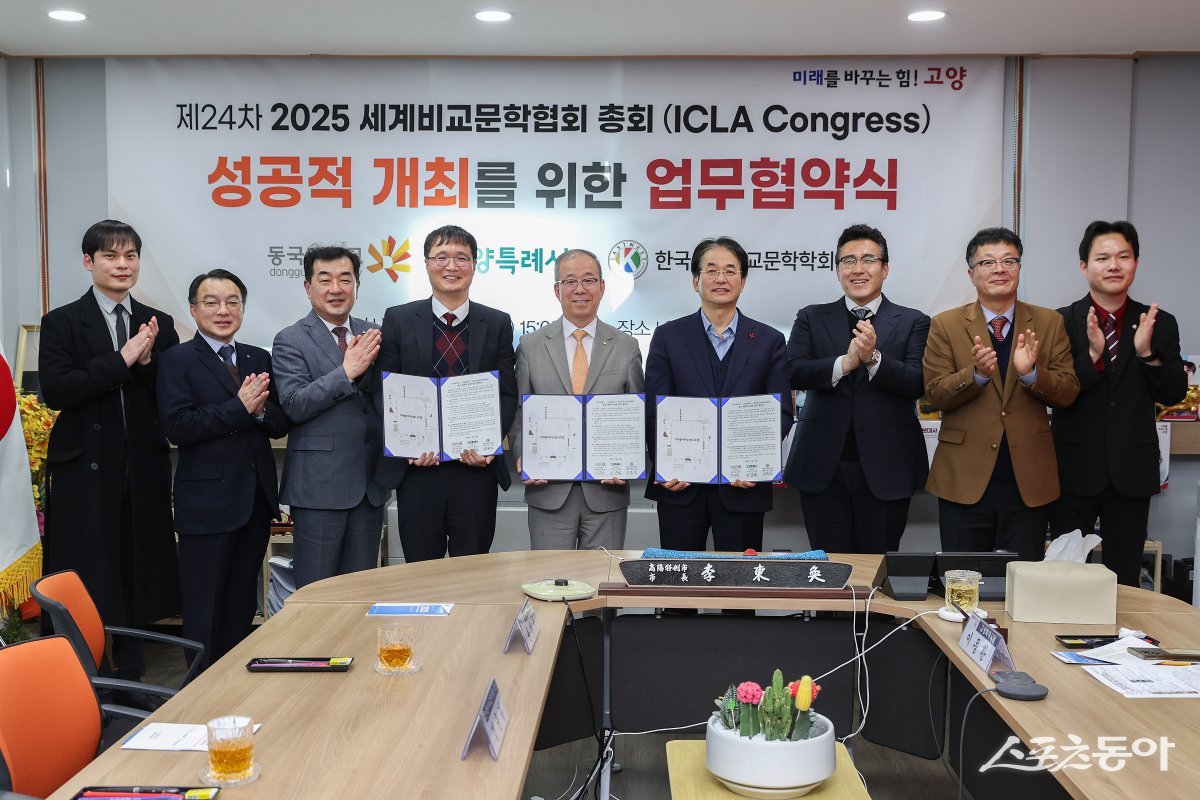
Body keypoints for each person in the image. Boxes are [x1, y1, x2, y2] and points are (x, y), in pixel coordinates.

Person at [39, 219, 180, 687]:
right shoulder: (61, 321)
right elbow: (57, 391)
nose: (123, 265)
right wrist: (122, 359)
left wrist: (149, 360)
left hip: (141, 467)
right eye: (111, 256)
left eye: (130, 256)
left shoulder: (158, 324)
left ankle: (134, 674)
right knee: (89, 571)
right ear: (89, 262)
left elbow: (169, 394)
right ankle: (88, 678)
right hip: (85, 469)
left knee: (138, 567)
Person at [157, 269, 289, 669]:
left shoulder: (257, 357)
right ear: (194, 310)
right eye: (211, 302)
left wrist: (260, 411)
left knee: (240, 607)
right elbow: (178, 427)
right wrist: (240, 408)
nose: (223, 310)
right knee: (204, 610)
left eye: (233, 302)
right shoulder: (177, 359)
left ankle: (234, 687)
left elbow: (279, 422)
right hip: (207, 508)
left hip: (254, 502)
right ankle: (199, 690)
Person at [923, 227, 1079, 561]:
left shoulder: (1049, 322)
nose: (999, 269)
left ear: (1019, 268)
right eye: (988, 262)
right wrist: (976, 375)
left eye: (1009, 261)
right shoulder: (945, 325)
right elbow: (934, 394)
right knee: (963, 581)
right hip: (963, 479)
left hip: (1028, 481)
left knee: (1021, 581)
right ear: (971, 274)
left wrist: (1031, 374)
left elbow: (1067, 392)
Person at [1051, 221, 1187, 586]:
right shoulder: (1060, 322)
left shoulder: (1159, 323)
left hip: (1132, 468)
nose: (1114, 265)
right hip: (1073, 468)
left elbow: (1174, 393)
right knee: (1063, 577)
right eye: (1103, 258)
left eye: (1123, 257)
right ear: (1084, 266)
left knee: (1124, 579)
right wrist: (1092, 357)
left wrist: (1147, 355)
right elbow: (1055, 392)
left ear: (1136, 263)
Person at [783, 224, 930, 553]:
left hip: (888, 467)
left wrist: (873, 358)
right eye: (848, 260)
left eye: (869, 259)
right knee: (829, 569)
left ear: (885, 268)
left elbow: (917, 381)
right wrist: (845, 363)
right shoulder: (811, 317)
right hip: (822, 466)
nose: (858, 269)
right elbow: (791, 371)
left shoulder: (914, 321)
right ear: (837, 269)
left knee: (876, 569)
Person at [376, 225, 517, 562]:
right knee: (421, 570)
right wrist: (405, 445)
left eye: (461, 258)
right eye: (441, 257)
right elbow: (382, 390)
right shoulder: (399, 319)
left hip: (475, 470)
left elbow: (507, 394)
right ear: (426, 264)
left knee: (472, 570)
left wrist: (488, 444)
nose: (451, 266)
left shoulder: (497, 322)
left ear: (474, 265)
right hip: (419, 470)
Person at [645, 236, 790, 553]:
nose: (720, 279)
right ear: (695, 281)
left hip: (743, 487)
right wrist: (665, 465)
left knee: (740, 580)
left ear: (743, 281)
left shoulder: (770, 340)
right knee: (678, 579)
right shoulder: (668, 336)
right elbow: (654, 410)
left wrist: (754, 463)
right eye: (711, 270)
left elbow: (780, 412)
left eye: (730, 271)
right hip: (681, 485)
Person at [509, 249, 645, 550]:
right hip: (548, 490)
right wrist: (523, 455)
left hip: (607, 491)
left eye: (589, 280)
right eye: (570, 281)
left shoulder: (627, 346)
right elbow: (519, 411)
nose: (580, 289)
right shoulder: (531, 345)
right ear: (557, 290)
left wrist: (629, 462)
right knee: (549, 577)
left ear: (602, 287)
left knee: (603, 576)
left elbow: (637, 414)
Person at [273, 246, 389, 588]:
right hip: (318, 488)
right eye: (325, 280)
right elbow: (294, 404)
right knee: (317, 593)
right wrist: (346, 372)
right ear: (308, 287)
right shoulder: (290, 339)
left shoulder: (375, 334)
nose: (336, 289)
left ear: (357, 286)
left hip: (369, 486)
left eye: (345, 279)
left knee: (360, 592)